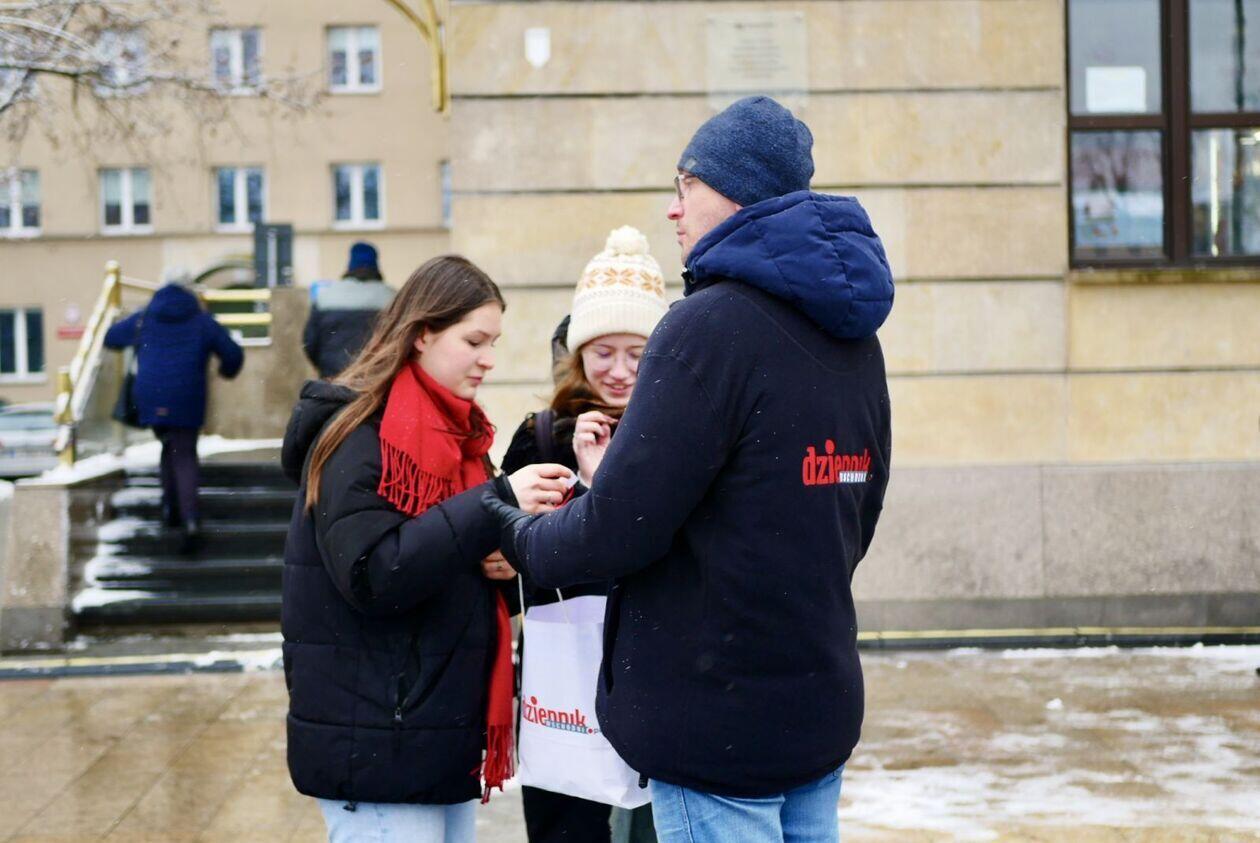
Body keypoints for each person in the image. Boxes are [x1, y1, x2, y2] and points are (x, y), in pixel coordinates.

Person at [483, 96, 895, 843]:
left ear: (736, 191)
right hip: (816, 697)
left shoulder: (704, 327)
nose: (673, 210)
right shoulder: (852, 337)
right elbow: (857, 510)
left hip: (715, 716)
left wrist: (513, 528)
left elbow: (618, 530)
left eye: (686, 187)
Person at [279, 254, 572, 843]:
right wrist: (494, 504)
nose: (489, 359)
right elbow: (374, 574)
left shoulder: (458, 437)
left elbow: (441, 558)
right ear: (422, 335)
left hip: (434, 738)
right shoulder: (359, 435)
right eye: (474, 341)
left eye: (493, 343)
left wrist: (500, 563)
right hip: (377, 744)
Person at [500, 226, 668, 843]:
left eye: (637, 352)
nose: (619, 372)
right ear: (577, 354)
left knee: (659, 820)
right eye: (603, 352)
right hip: (563, 659)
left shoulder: (681, 430)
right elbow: (507, 544)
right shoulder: (542, 435)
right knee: (565, 820)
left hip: (658, 657)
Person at [103, 268, 244, 549]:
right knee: (184, 452)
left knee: (171, 445)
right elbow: (232, 354)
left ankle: (170, 508)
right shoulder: (201, 320)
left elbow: (111, 337)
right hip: (187, 395)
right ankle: (190, 518)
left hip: (151, 394)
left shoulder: (145, 316)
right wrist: (226, 370)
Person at [303, 241, 395, 378]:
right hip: (376, 379)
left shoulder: (326, 297)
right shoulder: (392, 298)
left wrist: (324, 367)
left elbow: (310, 342)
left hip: (334, 377)